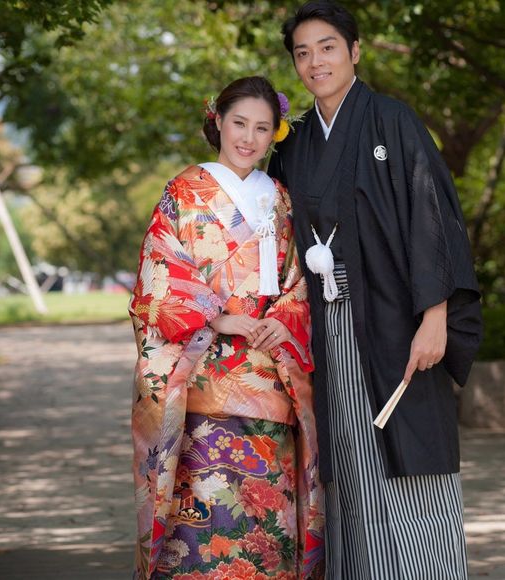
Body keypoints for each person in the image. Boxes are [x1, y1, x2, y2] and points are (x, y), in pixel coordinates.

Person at [268, 2, 483, 579]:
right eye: (303, 53)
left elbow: (431, 215)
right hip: (328, 322)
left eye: (328, 47)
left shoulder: (393, 120)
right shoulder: (295, 142)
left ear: (355, 51)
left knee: (409, 454)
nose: (316, 62)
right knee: (348, 455)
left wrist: (435, 316)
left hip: (396, 320)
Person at [129, 76, 324, 580]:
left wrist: (282, 320)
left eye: (262, 128)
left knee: (268, 526)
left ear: (275, 133)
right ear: (218, 121)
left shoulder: (281, 199)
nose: (248, 138)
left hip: (270, 380)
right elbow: (159, 271)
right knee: (202, 525)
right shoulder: (183, 192)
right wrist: (218, 316)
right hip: (201, 382)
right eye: (239, 123)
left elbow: (299, 278)